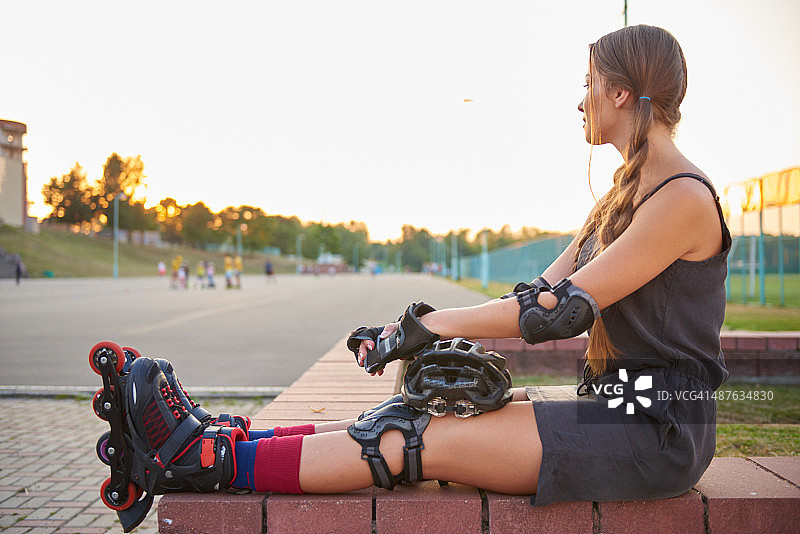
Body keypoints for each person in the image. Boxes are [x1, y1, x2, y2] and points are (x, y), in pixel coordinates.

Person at [106, 25, 730, 509]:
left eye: (588, 82)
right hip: (618, 412)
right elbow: (538, 291)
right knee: (404, 415)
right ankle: (227, 440)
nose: (581, 99)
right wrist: (413, 329)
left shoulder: (682, 198)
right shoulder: (623, 198)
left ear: (620, 92)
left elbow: (559, 313)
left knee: (412, 440)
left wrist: (433, 325)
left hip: (659, 431)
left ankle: (204, 461)